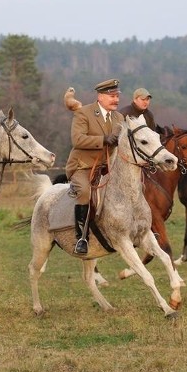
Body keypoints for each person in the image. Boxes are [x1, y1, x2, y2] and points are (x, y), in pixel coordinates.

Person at [65, 78, 124, 254]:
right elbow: (77, 139)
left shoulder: (119, 117)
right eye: (112, 96)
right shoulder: (83, 113)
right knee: (84, 192)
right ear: (100, 96)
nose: (116, 100)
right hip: (83, 166)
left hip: (107, 168)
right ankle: (81, 237)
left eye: (117, 96)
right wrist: (103, 140)